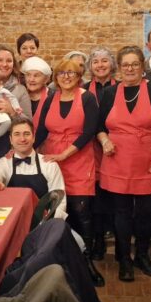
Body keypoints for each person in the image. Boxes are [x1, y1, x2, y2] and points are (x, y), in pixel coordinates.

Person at [97, 46, 151, 282]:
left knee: (144, 213)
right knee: (121, 213)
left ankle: (142, 255)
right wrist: (104, 139)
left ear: (143, 66)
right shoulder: (110, 93)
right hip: (117, 161)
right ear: (118, 69)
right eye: (125, 65)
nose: (130, 68)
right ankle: (124, 259)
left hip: (150, 162)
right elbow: (99, 126)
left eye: (134, 64)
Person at [35, 59, 104, 287]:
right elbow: (42, 131)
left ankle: (86, 264)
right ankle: (62, 261)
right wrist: (26, 150)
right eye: (63, 72)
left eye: (72, 73)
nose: (67, 77)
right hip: (52, 161)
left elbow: (89, 131)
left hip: (79, 158)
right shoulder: (50, 99)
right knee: (56, 211)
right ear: (56, 76)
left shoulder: (87, 98)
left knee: (81, 214)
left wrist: (66, 154)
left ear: (79, 76)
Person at [0, 117, 67, 220]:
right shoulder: (3, 163)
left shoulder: (49, 165)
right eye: (17, 134)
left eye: (26, 134)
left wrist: (49, 224)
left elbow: (59, 201)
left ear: (33, 138)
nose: (22, 139)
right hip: (12, 221)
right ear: (11, 140)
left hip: (43, 222)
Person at [83, 46, 117, 261]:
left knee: (113, 197)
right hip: (91, 150)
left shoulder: (123, 87)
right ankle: (97, 240)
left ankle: (112, 232)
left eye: (105, 61)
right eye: (96, 62)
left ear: (112, 64)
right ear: (90, 67)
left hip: (116, 147)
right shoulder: (84, 90)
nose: (101, 65)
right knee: (95, 198)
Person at [21, 56, 53, 130]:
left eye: (36, 75)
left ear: (46, 79)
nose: (31, 79)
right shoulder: (20, 95)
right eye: (28, 75)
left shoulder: (52, 97)